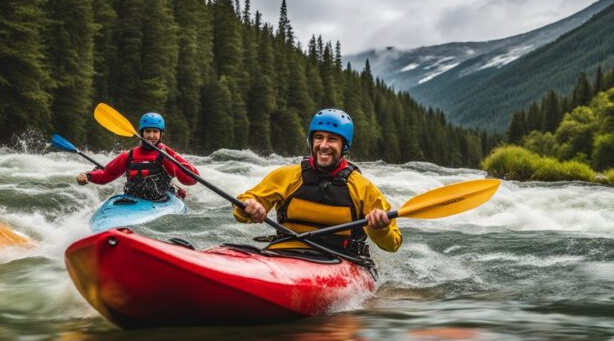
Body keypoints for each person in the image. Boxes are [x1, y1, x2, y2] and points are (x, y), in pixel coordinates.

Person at [233, 109, 402, 259]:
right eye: (318, 137)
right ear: (311, 141)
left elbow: (392, 244)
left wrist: (380, 228)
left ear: (344, 146)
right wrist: (249, 207)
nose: (323, 145)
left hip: (341, 260)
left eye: (332, 139)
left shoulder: (362, 188)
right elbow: (244, 205)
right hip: (283, 254)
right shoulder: (286, 176)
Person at [77, 112, 198, 201]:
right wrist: (88, 175)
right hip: (132, 200)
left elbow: (191, 179)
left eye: (155, 131)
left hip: (160, 200)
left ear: (161, 134)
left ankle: (174, 190)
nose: (151, 135)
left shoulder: (166, 154)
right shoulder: (129, 155)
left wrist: (173, 160)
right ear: (142, 133)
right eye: (148, 131)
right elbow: (107, 174)